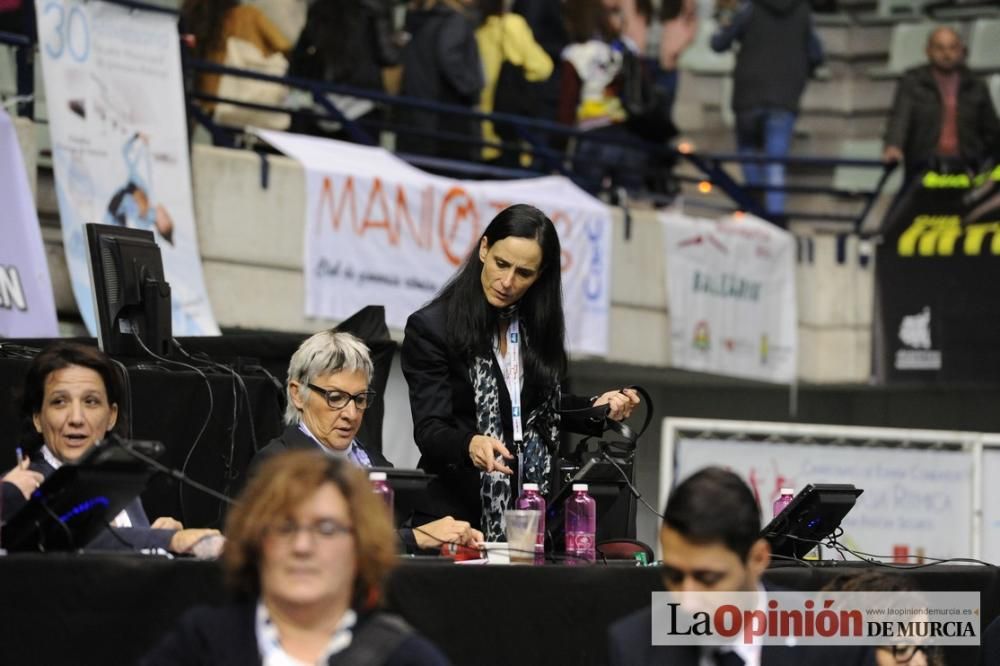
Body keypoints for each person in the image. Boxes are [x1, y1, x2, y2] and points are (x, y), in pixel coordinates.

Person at [400, 204, 640, 541]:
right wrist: (470, 443)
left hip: (530, 516)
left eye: (524, 273)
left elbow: (538, 408)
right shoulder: (432, 328)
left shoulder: (534, 328)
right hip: (456, 519)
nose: (508, 282)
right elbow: (430, 429)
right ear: (484, 249)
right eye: (501, 264)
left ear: (539, 275)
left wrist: (595, 407)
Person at [141, 450, 451, 666]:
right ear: (256, 542)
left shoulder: (404, 658)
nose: (302, 545)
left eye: (326, 529)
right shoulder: (201, 644)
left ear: (359, 548)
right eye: (285, 527)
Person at [607, 466, 874, 665]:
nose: (687, 602)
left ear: (758, 559)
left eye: (709, 579)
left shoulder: (833, 639)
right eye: (674, 576)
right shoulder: (635, 646)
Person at [252, 329, 483, 552]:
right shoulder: (274, 464)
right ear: (297, 394)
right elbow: (304, 546)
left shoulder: (376, 462)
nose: (351, 414)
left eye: (360, 399)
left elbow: (400, 540)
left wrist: (446, 538)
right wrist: (417, 537)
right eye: (336, 397)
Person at [9, 341, 220, 553]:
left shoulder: (117, 479)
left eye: (91, 402)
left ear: (111, 416)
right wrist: (168, 540)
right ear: (37, 417)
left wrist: (158, 546)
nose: (76, 418)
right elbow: (77, 540)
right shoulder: (25, 487)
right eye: (59, 402)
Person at [711, 0, 824, 219]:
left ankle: (756, 213)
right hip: (784, 96)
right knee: (775, 164)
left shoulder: (749, 8)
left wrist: (724, 23)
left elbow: (719, 43)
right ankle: (772, 221)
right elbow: (817, 54)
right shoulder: (803, 11)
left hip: (749, 94)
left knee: (749, 153)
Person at [883, 26, 1000, 181]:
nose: (946, 54)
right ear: (928, 50)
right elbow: (900, 118)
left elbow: (991, 129)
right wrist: (893, 146)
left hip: (968, 167)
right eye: (940, 48)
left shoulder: (975, 84)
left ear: (961, 51)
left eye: (952, 48)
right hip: (924, 166)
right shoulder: (913, 82)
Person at [559, 0, 649, 196]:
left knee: (585, 202)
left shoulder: (576, 54)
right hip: (628, 134)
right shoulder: (626, 48)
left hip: (591, 137)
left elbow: (567, 105)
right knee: (625, 209)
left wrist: (558, 147)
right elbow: (642, 88)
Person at [286, 0, 400, 141]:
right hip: (362, 101)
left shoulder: (320, 6)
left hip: (322, 98)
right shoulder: (375, 7)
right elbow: (389, 57)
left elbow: (301, 54)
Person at [396, 0, 484, 163]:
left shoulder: (421, 18)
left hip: (418, 113)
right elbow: (449, 57)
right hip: (444, 117)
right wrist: (472, 88)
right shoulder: (454, 20)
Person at [474, 0, 553, 166]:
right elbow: (543, 67)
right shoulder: (511, 24)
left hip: (476, 128)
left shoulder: (474, 25)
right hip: (505, 130)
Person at [180, 0, 291, 112]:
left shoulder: (195, 24)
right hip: (250, 103)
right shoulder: (248, 14)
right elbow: (284, 46)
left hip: (209, 108)